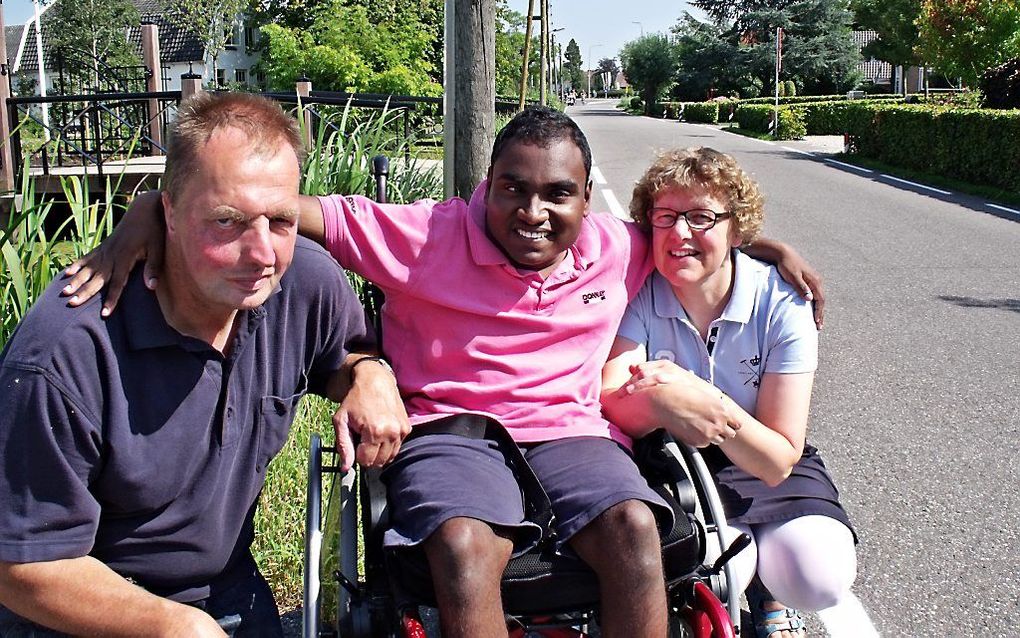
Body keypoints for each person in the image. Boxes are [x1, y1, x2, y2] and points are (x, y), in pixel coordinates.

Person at [61, 107, 824, 637]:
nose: (533, 211)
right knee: (462, 545)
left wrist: (770, 249)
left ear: (586, 200)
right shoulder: (424, 234)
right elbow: (269, 204)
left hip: (568, 430)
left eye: (558, 193)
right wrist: (148, 213)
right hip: (448, 428)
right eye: (513, 189)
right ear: (483, 186)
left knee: (633, 530)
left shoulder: (613, 246)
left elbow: (692, 235)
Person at [0, 92, 407, 637]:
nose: (262, 253)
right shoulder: (64, 354)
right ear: (167, 211)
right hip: (81, 605)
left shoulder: (302, 284)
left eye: (281, 220)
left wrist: (368, 372)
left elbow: (343, 352)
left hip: (224, 587)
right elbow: (21, 563)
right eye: (227, 222)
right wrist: (168, 625)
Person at [601, 147, 876, 638]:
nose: (681, 233)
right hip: (671, 460)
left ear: (737, 230)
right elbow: (611, 400)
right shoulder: (639, 288)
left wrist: (701, 399)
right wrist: (664, 401)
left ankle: (774, 594)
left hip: (759, 453)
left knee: (817, 574)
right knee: (711, 571)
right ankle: (748, 587)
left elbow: (776, 458)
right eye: (666, 216)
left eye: (702, 217)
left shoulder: (783, 302)